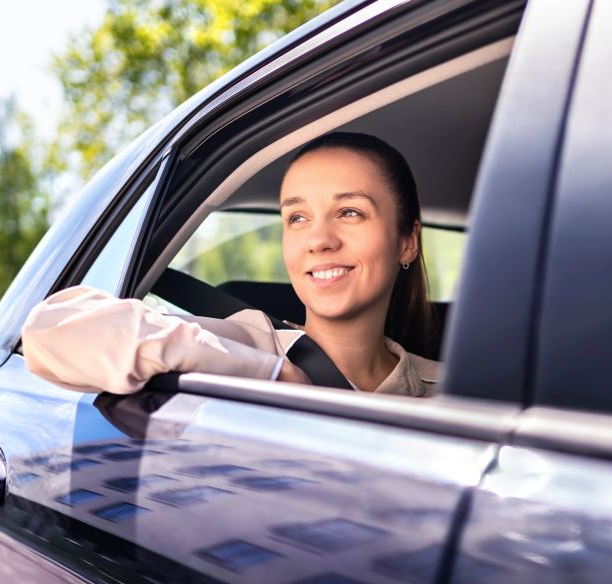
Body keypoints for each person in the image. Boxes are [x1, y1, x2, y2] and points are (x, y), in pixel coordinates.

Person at [22, 132, 440, 397]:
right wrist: (271, 374)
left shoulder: (458, 391)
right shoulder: (251, 342)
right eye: (297, 218)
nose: (319, 240)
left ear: (407, 242)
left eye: (349, 212)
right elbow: (50, 330)